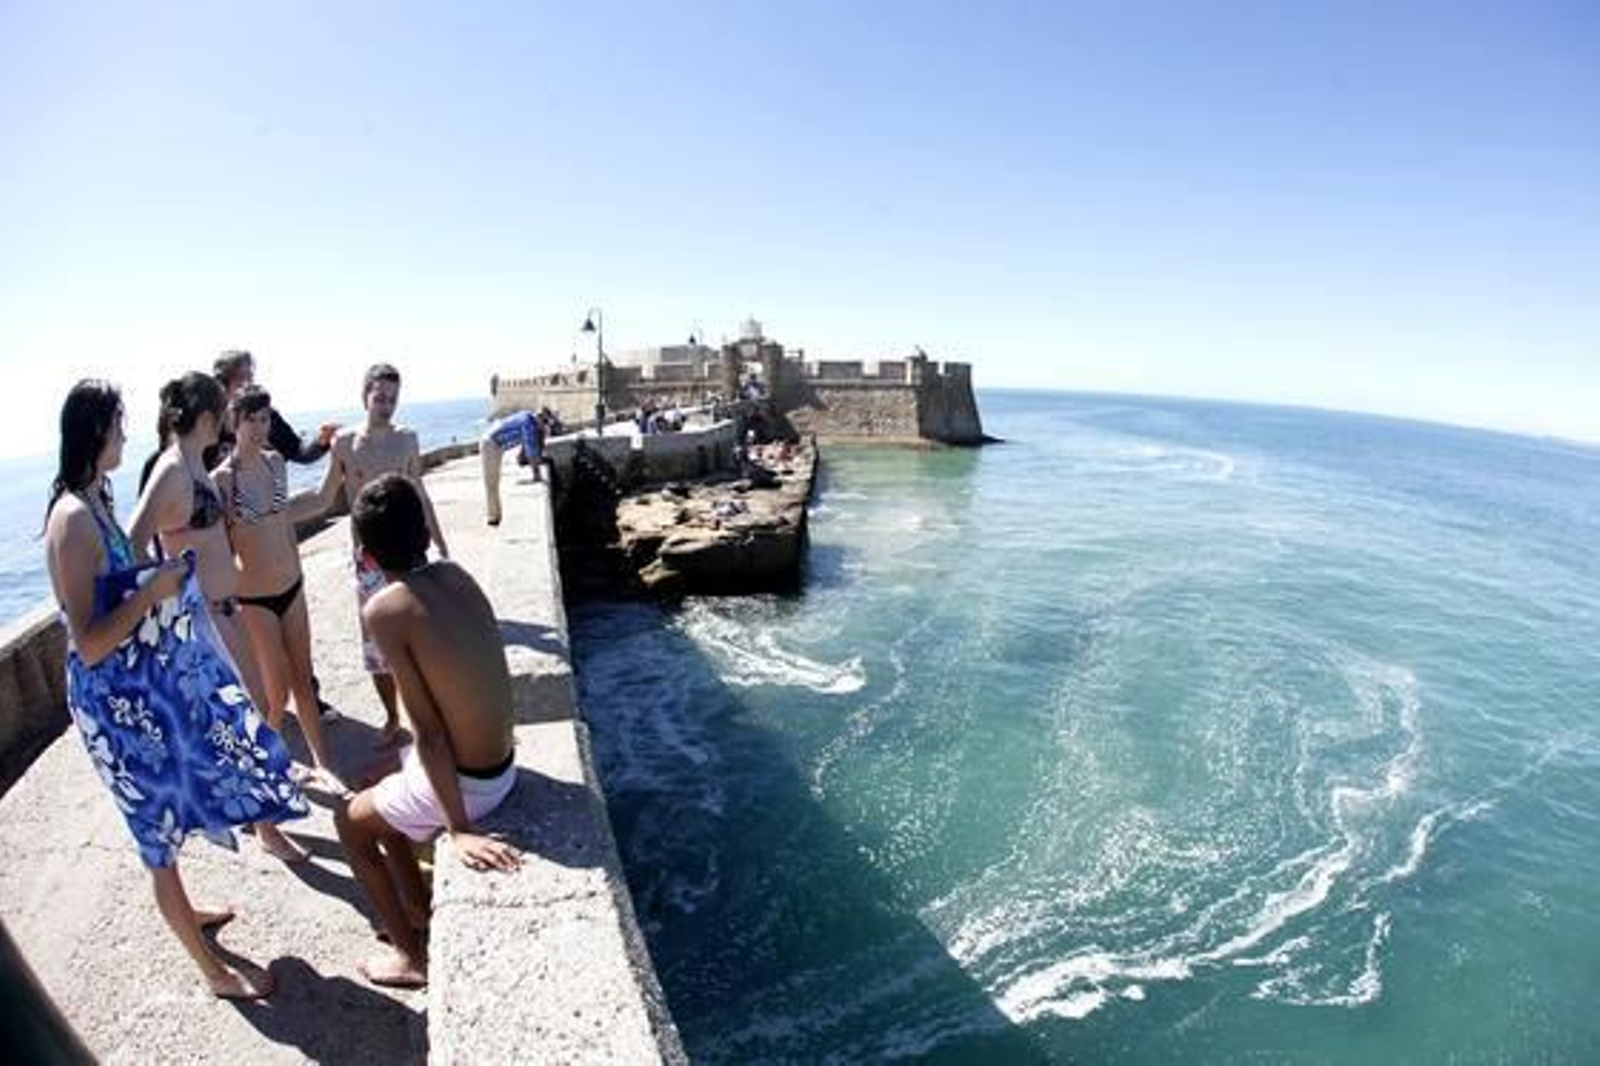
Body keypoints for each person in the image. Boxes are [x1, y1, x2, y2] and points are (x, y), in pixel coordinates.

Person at [45, 380, 306, 1000]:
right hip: (109, 700)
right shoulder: (74, 519)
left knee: (177, 794)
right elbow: (86, 642)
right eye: (118, 424)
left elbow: (117, 584)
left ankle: (189, 914)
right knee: (152, 829)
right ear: (96, 431)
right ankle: (213, 972)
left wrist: (152, 584)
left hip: (134, 688)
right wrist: (152, 593)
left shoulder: (96, 496)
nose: (126, 435)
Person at [333, 473, 520, 989]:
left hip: (471, 789)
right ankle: (417, 906)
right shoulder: (457, 575)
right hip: (501, 767)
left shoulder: (384, 610)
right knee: (378, 788)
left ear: (365, 556)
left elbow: (430, 734)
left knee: (348, 822)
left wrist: (458, 829)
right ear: (423, 532)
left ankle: (411, 958)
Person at [129, 372, 308, 863]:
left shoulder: (194, 463)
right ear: (207, 417)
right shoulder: (171, 468)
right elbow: (134, 538)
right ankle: (265, 826)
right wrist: (170, 590)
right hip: (207, 616)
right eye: (222, 412)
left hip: (227, 609)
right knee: (253, 715)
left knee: (260, 708)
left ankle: (255, 809)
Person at [308, 363, 450, 744]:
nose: (386, 405)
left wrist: (441, 543)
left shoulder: (407, 440)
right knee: (376, 645)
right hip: (368, 559)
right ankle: (392, 718)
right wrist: (272, 513)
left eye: (392, 398)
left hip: (411, 552)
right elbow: (324, 497)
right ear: (365, 395)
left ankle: (431, 716)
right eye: (380, 397)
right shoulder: (344, 443)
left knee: (423, 637)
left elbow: (419, 494)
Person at [213, 386, 344, 791]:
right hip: (256, 600)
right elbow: (215, 545)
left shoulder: (275, 463)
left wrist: (336, 456)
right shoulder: (222, 481)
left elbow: (313, 504)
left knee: (304, 682)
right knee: (276, 697)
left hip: (293, 587)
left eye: (265, 418)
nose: (258, 427)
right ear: (233, 424)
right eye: (250, 419)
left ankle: (325, 767)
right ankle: (262, 775)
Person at [207, 349, 339, 469]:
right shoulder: (208, 424)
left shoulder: (267, 416)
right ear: (222, 383)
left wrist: (321, 441)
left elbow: (299, 452)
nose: (248, 384)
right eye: (241, 378)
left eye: (250, 377)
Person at [479, 409, 544, 527]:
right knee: (491, 482)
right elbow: (531, 451)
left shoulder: (527, 415)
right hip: (491, 443)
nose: (542, 427)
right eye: (543, 424)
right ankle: (493, 517)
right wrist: (536, 474)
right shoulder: (529, 423)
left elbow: (526, 445)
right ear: (539, 419)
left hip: (495, 443)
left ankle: (495, 515)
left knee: (494, 481)